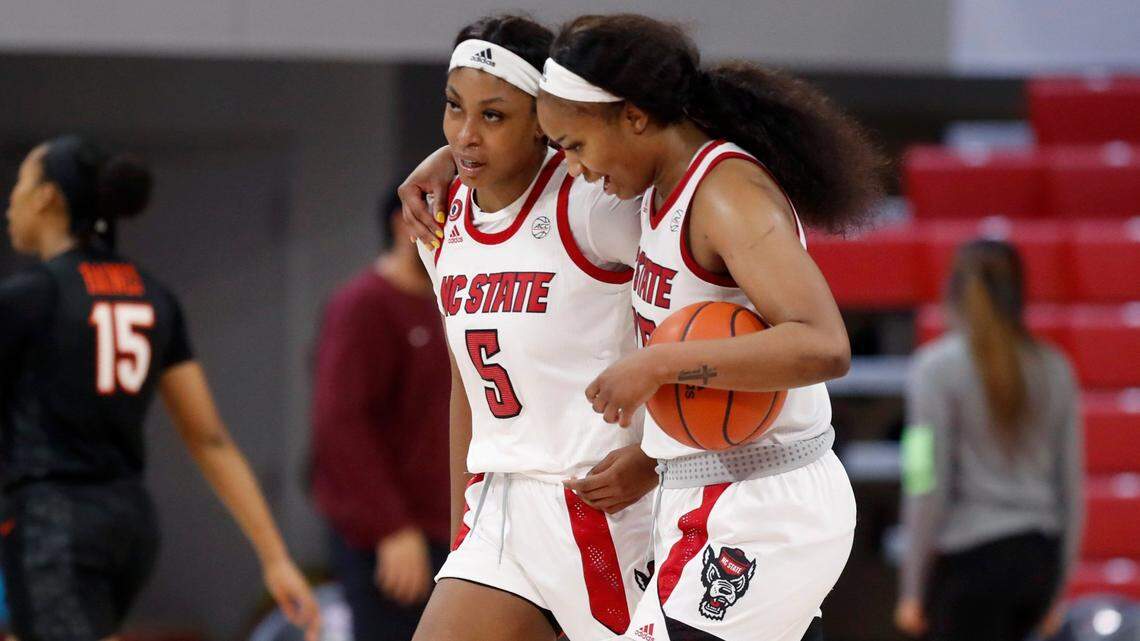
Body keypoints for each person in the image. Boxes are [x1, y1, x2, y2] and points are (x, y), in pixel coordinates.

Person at [531, 14, 886, 641]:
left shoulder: (725, 194)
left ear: (634, 116)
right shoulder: (652, 194)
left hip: (766, 502)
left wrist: (656, 365)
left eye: (576, 146)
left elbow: (824, 343)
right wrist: (653, 456)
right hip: (702, 495)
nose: (576, 169)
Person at [397, 15, 661, 641]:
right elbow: (467, 385)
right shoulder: (442, 220)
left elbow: (695, 318)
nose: (465, 136)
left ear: (544, 118)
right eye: (453, 108)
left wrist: (655, 458)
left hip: (605, 506)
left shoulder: (593, 201)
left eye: (493, 116)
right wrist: (463, 515)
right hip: (502, 510)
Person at [0, 136, 320, 641]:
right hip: (128, 525)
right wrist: (275, 558)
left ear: (45, 197)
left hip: (54, 524)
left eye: (20, 182)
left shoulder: (29, 297)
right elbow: (209, 438)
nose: (10, 201)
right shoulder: (153, 296)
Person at [895, 240, 1083, 641]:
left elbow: (923, 480)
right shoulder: (1056, 368)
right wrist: (1058, 591)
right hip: (1038, 562)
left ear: (953, 289)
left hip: (968, 566)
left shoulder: (932, 369)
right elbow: (1072, 488)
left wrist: (911, 588)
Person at [309, 187, 451, 641]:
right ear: (402, 223)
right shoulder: (363, 304)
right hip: (392, 535)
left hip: (452, 525)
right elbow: (340, 423)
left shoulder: (453, 303)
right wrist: (391, 527)